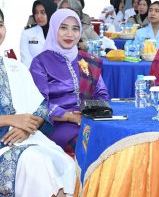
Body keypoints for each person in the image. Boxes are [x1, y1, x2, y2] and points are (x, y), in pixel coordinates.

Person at [0, 8, 75, 197]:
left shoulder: (14, 67)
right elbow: (18, 117)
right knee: (36, 163)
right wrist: (11, 120)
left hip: (23, 139)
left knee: (70, 168)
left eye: (0, 23)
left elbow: (40, 108)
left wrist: (26, 127)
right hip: (4, 147)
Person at [30, 9, 109, 153]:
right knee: (90, 144)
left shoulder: (87, 60)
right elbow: (39, 103)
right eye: (63, 27)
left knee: (112, 138)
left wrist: (93, 112)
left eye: (75, 29)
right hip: (55, 123)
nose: (69, 34)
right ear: (54, 29)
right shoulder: (40, 62)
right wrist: (70, 117)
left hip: (88, 119)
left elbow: (101, 93)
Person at [20, 0, 57, 68]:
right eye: (36, 13)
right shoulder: (27, 32)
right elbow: (25, 58)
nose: (39, 16)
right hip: (33, 72)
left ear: (50, 12)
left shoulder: (58, 32)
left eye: (43, 12)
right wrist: (37, 72)